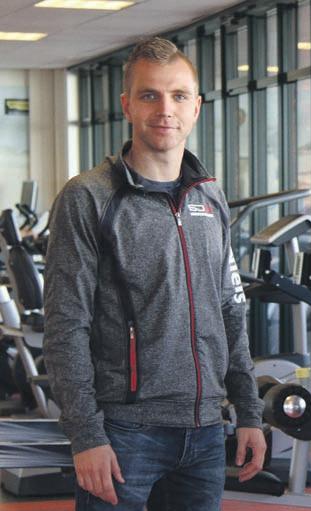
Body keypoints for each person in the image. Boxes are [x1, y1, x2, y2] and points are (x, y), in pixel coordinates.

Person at [43, 37, 266, 510]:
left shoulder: (211, 197)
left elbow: (230, 308)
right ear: (127, 104)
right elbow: (65, 325)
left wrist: (249, 411)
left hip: (205, 429)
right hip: (124, 432)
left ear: (196, 107)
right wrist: (85, 435)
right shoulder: (88, 198)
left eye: (178, 96)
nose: (166, 110)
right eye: (150, 95)